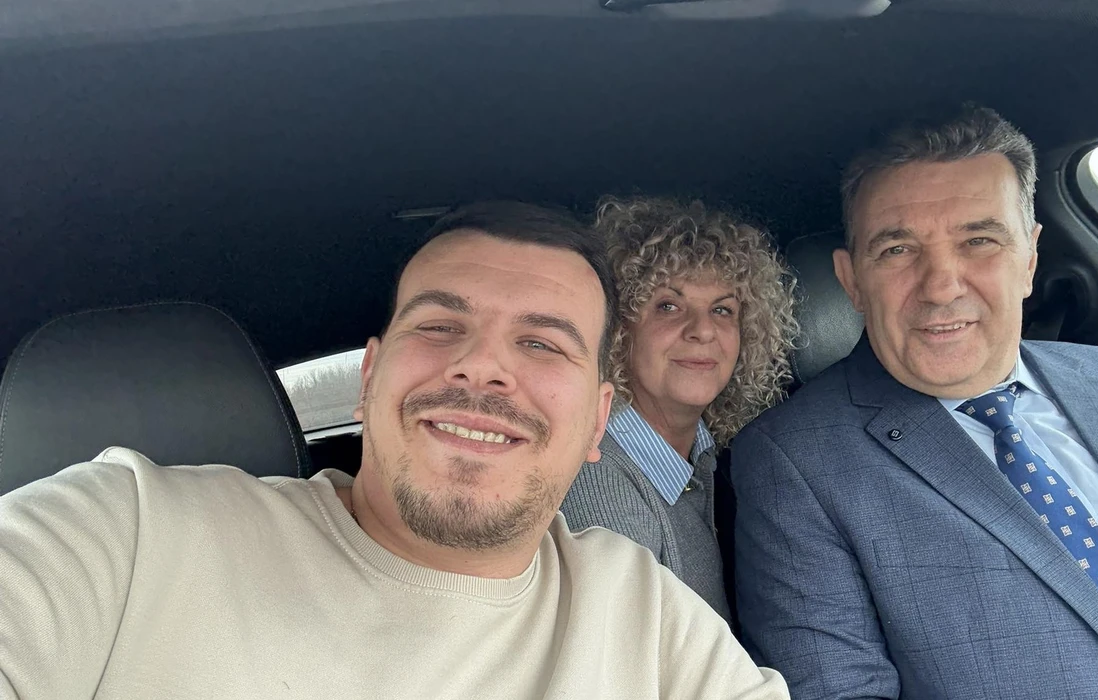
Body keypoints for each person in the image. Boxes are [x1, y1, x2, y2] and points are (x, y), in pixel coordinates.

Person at [0, 202, 789, 699]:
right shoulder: (126, 532)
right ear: (369, 378)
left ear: (595, 419)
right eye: (440, 326)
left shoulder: (647, 617)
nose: (481, 365)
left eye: (542, 344)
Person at [732, 105, 1098, 700]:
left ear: (1029, 259)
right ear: (851, 282)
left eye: (979, 240)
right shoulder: (796, 462)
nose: (941, 285)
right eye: (897, 250)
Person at [560, 197, 799, 621]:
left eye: (722, 310)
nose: (703, 330)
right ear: (617, 328)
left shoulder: (704, 458)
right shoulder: (595, 480)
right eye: (668, 306)